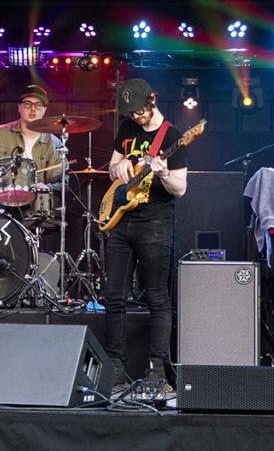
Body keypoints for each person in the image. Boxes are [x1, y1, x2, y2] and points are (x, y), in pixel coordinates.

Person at [104, 78, 188, 393]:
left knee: (156, 297)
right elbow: (112, 167)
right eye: (130, 113)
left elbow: (180, 189)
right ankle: (115, 368)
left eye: (139, 111)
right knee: (113, 296)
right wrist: (121, 166)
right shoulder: (126, 130)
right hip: (122, 220)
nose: (136, 117)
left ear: (152, 100)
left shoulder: (174, 136)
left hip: (155, 223)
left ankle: (157, 371)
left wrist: (164, 172)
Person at [0, 84, 62, 193]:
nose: (33, 109)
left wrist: (48, 187)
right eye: (27, 104)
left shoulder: (54, 143)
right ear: (19, 107)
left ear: (45, 110)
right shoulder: (0, 133)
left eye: (38, 105)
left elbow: (62, 182)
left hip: (38, 203)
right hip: (2, 201)